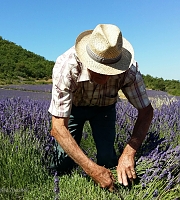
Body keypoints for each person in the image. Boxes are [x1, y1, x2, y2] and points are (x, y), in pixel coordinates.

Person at [48, 24, 153, 191]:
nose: (105, 77)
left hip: (104, 108)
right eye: (99, 70)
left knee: (107, 158)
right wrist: (91, 169)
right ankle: (61, 185)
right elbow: (58, 127)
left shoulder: (128, 71)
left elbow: (146, 111)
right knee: (61, 162)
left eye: (111, 71)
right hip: (74, 109)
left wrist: (128, 153)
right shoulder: (66, 67)